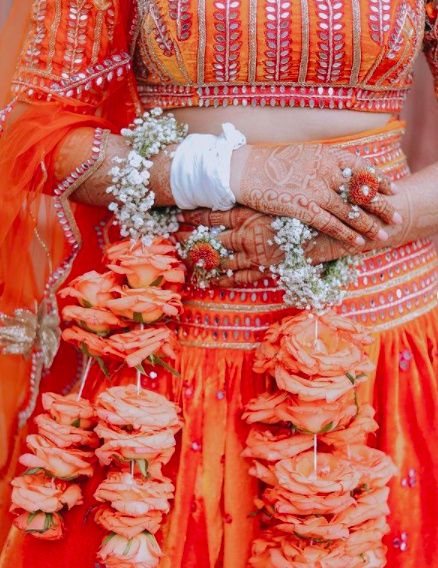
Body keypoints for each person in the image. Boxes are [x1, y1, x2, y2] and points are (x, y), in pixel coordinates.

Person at [0, 1, 437, 566]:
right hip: (164, 348)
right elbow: (31, 130)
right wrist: (227, 170)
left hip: (374, 353)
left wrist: (366, 221)